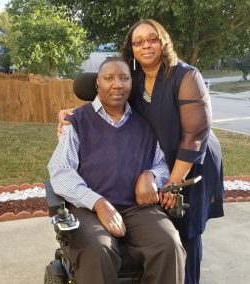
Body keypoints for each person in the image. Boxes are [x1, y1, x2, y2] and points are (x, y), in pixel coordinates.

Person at [58, 19, 224, 284]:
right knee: (106, 247)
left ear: (163, 41)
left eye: (152, 38)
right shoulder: (134, 78)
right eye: (138, 41)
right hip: (150, 173)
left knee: (182, 236)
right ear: (131, 48)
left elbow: (194, 136)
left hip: (189, 163)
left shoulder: (185, 75)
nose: (145, 45)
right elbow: (107, 94)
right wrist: (73, 115)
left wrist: (165, 181)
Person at [48, 57, 186, 284]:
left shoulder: (145, 125)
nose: (117, 84)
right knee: (98, 249)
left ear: (131, 85)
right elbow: (61, 172)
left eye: (124, 78)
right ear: (97, 84)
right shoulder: (77, 122)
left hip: (136, 207)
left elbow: (161, 163)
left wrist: (151, 175)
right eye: (109, 78)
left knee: (168, 244)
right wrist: (99, 203)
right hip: (88, 208)